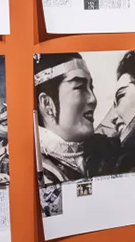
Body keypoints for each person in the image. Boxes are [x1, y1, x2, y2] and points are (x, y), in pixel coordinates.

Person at [33, 53, 98, 186]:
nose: (93, 99)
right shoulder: (31, 166)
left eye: (91, 88)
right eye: (80, 87)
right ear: (47, 104)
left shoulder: (103, 152)